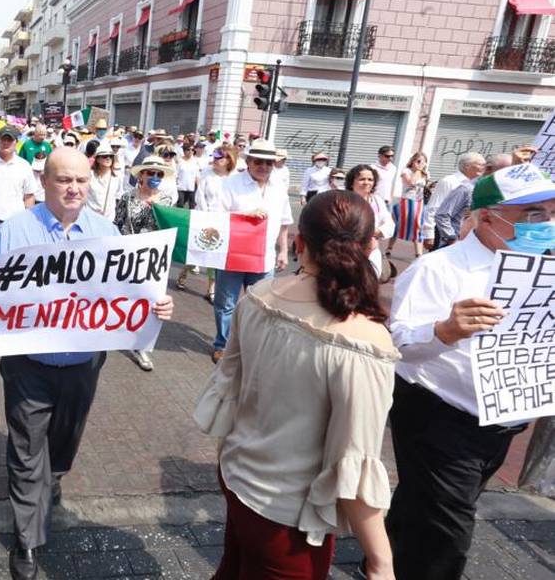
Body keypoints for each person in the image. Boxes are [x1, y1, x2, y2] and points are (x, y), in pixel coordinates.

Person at [0, 147, 174, 580]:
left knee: (63, 442)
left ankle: (55, 475)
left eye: (81, 180)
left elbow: (134, 286)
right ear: (45, 183)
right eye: (64, 180)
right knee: (26, 449)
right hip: (28, 364)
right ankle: (27, 540)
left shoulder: (105, 230)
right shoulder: (15, 230)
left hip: (83, 363)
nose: (74, 188)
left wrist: (158, 304)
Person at [195, 190, 398, 580]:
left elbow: (228, 389)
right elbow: (353, 462)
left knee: (233, 569)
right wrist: (380, 558)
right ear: (371, 245)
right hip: (288, 514)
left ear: (298, 242)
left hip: (237, 473)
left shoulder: (258, 296)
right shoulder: (363, 341)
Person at [385, 163, 555, 579]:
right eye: (531, 214)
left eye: (551, 213)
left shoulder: (547, 271)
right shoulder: (439, 269)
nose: (546, 224)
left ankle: (386, 555)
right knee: (450, 529)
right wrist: (443, 330)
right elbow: (397, 344)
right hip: (438, 415)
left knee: (426, 501)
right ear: (486, 217)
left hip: (503, 421)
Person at [212, 139, 293, 364]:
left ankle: (250, 346)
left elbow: (284, 223)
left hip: (264, 257)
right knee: (226, 303)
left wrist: (283, 251)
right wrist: (245, 215)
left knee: (261, 305)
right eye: (258, 161)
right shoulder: (231, 184)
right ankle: (223, 344)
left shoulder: (279, 188)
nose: (264, 167)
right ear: (248, 161)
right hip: (233, 255)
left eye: (269, 163)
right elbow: (216, 218)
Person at [113, 155, 176, 372]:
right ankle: (119, 332)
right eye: (151, 173)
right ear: (141, 175)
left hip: (155, 259)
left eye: (159, 174)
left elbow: (172, 230)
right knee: (128, 297)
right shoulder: (127, 198)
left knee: (151, 301)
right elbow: (118, 225)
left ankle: (142, 346)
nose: (155, 177)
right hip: (130, 256)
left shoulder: (167, 201)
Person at [0, 125, 37, 247]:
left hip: (15, 223)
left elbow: (29, 196)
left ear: (16, 142)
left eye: (10, 140)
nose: (6, 143)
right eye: (3, 139)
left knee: (12, 263)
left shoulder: (24, 166)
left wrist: (29, 222)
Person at [193, 146, 239, 303]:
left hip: (227, 223)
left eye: (219, 158)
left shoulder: (236, 177)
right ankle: (186, 274)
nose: (215, 160)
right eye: (214, 157)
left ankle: (215, 288)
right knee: (203, 254)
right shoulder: (206, 174)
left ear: (228, 160)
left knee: (220, 257)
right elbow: (200, 197)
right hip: (208, 220)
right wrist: (206, 217)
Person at [435, 153, 512, 246]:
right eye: (504, 171)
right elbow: (442, 215)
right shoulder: (466, 189)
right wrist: (452, 238)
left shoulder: (501, 191)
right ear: (489, 169)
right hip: (457, 248)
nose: (507, 176)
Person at [421, 152, 486, 251]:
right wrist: (428, 233)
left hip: (461, 234)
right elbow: (434, 207)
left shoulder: (475, 184)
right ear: (467, 166)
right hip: (443, 234)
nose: (483, 167)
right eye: (480, 164)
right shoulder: (450, 181)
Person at [347, 164, 396, 278]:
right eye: (362, 179)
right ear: (351, 182)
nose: (366, 182)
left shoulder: (377, 200)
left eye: (370, 179)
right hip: (348, 249)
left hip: (371, 247)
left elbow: (389, 224)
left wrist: (377, 232)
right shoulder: (344, 200)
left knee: (372, 278)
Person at [386, 152, 430, 259]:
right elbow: (411, 182)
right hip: (407, 202)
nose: (420, 164)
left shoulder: (426, 174)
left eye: (423, 162)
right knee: (398, 225)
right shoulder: (406, 171)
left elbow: (425, 187)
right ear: (413, 161)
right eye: (418, 161)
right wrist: (417, 171)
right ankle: (389, 248)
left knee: (418, 226)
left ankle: (418, 254)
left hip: (419, 202)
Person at [86, 142, 122, 219]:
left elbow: (118, 195)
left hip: (108, 219)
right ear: (98, 159)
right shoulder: (89, 175)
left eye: (111, 156)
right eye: (105, 156)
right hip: (90, 218)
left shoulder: (117, 176)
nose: (108, 158)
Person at [174, 142, 199, 208]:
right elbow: (175, 175)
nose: (191, 151)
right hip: (181, 188)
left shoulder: (195, 161)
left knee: (192, 206)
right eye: (188, 149)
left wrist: (199, 188)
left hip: (191, 188)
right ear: (184, 151)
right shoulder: (179, 161)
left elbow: (197, 176)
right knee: (180, 205)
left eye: (192, 150)